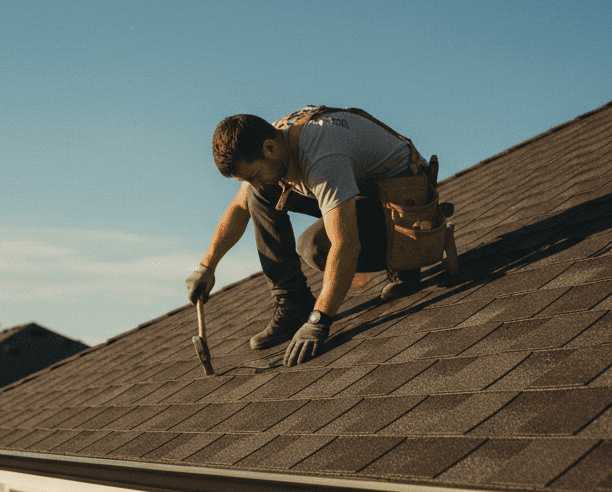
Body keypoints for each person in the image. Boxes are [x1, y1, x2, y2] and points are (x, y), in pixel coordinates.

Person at [185, 106, 431, 368]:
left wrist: (319, 320)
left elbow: (345, 244)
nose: (255, 182)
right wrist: (206, 267)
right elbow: (238, 208)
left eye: (254, 174)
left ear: (269, 148)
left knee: (315, 247)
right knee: (256, 196)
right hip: (362, 190)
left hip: (406, 206)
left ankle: (404, 261)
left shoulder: (322, 156)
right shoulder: (272, 142)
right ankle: (292, 304)